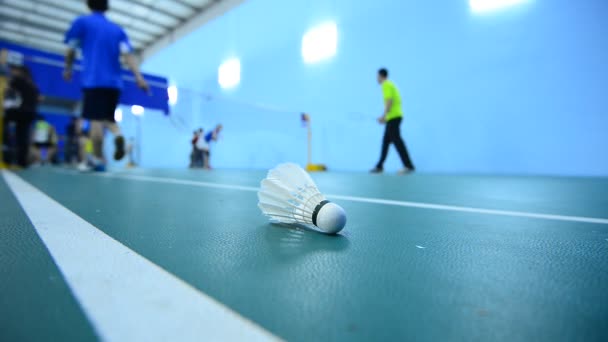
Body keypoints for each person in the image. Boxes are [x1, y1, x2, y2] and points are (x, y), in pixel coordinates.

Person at [63, 0, 149, 171]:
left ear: (88, 4)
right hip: (115, 83)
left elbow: (71, 49)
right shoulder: (118, 30)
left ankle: (96, 159)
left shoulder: (82, 22)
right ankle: (118, 135)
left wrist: (68, 68)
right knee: (109, 119)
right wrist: (139, 77)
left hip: (94, 80)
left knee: (95, 120)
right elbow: (128, 55)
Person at [370, 68, 415, 174]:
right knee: (386, 142)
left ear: (381, 76)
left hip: (394, 117)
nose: (377, 78)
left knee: (398, 141)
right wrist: (385, 118)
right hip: (393, 117)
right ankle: (379, 166)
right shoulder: (390, 84)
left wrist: (383, 116)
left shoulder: (386, 85)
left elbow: (389, 101)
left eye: (377, 76)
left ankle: (408, 165)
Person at [3, 65, 39, 168]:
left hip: (20, 112)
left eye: (14, 70)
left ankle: (6, 147)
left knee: (4, 122)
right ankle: (21, 162)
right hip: (30, 114)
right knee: (23, 137)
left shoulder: (18, 80)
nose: (12, 72)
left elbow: (7, 87)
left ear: (20, 71)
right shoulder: (33, 85)